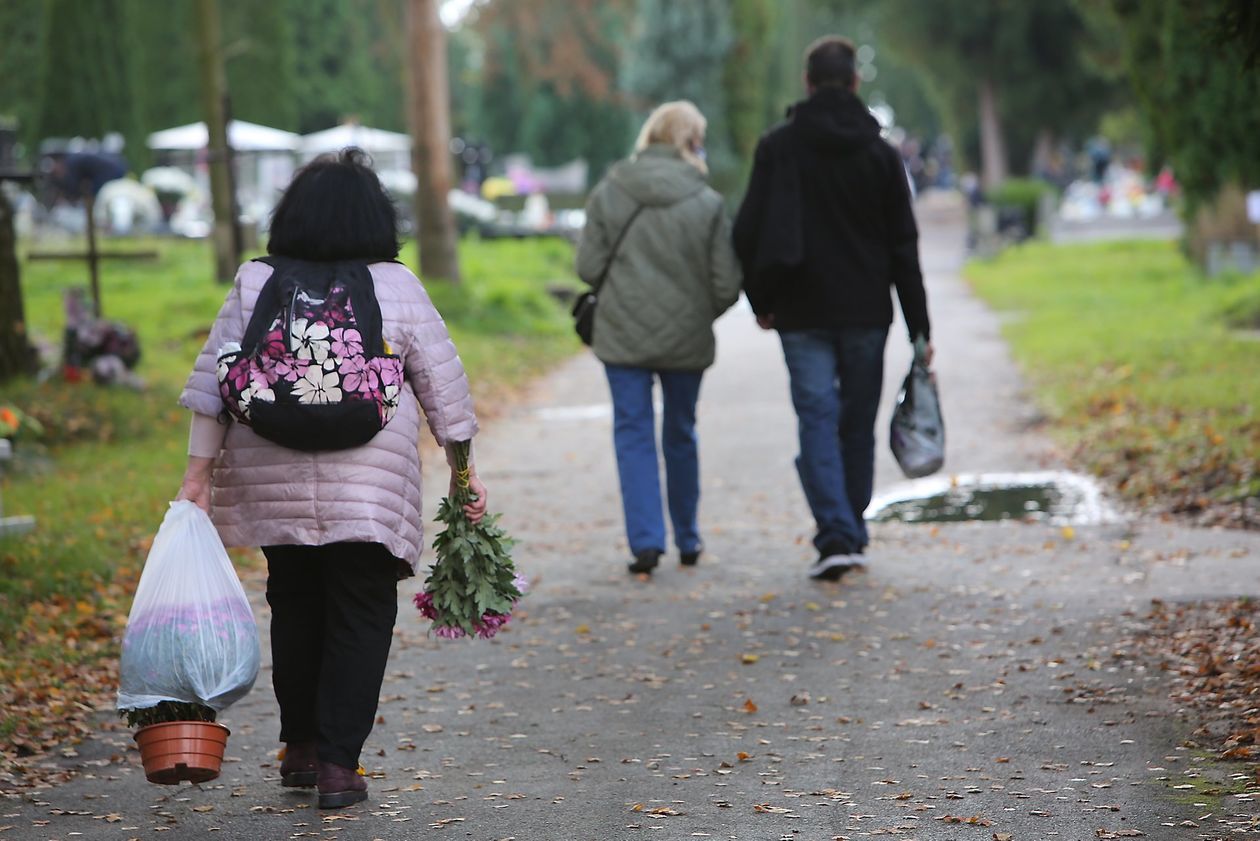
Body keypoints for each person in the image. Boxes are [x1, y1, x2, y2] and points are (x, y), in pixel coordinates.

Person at [175, 149, 486, 809]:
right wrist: (463, 473)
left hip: (271, 474)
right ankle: (340, 765)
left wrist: (197, 476)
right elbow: (444, 385)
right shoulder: (395, 284)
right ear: (377, 218)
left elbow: (213, 383)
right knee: (361, 610)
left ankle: (301, 746)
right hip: (369, 487)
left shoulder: (255, 281)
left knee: (294, 602)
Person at [732, 36, 933, 582]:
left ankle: (837, 533)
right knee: (855, 424)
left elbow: (747, 230)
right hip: (867, 311)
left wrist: (761, 300)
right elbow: (903, 247)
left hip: (800, 312)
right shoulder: (881, 156)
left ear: (807, 82)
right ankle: (848, 529)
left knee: (817, 419)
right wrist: (920, 328)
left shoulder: (778, 149)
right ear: (853, 83)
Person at [576, 101, 741, 576]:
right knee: (681, 432)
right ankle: (688, 537)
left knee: (633, 432)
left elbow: (587, 268)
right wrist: (694, 313)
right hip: (686, 340)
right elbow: (727, 285)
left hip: (622, 336)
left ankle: (646, 542)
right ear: (691, 143)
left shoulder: (610, 191)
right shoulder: (707, 202)